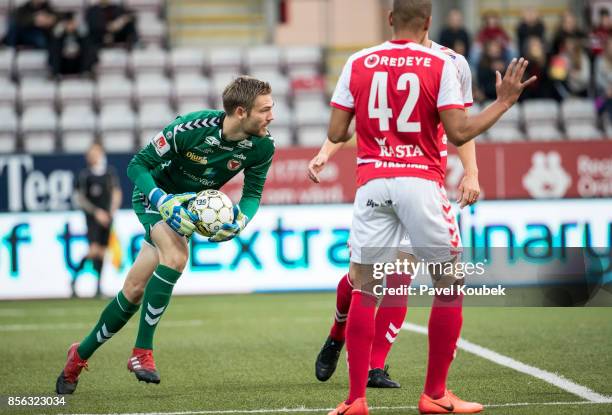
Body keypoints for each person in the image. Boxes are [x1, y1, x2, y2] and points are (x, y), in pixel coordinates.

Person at [322, 1, 535, 414]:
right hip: (419, 180)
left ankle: (354, 402)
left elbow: (336, 130)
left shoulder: (359, 61)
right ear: (428, 23)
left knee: (365, 287)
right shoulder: (441, 63)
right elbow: (459, 131)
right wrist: (503, 102)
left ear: (389, 20)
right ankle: (435, 395)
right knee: (449, 284)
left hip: (372, 183)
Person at [56, 76, 276, 394]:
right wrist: (163, 201)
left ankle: (78, 356)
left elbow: (252, 194)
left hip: (185, 208)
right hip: (153, 198)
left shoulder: (262, 146)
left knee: (133, 290)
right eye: (265, 110)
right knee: (176, 256)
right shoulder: (191, 128)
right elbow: (137, 167)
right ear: (240, 112)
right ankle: (141, 352)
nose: (272, 116)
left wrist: (240, 221)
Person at [310, 30, 480, 390]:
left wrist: (472, 172)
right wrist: (327, 151)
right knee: (362, 279)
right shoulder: (377, 62)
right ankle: (336, 333)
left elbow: (459, 127)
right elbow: (358, 124)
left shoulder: (451, 63)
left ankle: (374, 367)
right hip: (383, 179)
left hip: (420, 183)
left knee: (400, 274)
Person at [72, 143, 122, 298]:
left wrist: (111, 211)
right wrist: (96, 212)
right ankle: (74, 279)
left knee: (102, 252)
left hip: (107, 217)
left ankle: (98, 288)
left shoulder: (109, 173)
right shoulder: (85, 175)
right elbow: (80, 199)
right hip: (93, 219)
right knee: (93, 250)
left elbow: (116, 192)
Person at [48, 12, 95, 77]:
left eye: (72, 23)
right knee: (54, 46)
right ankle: (56, 73)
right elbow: (53, 44)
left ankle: (86, 71)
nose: (70, 26)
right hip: (63, 64)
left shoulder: (80, 33)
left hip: (78, 63)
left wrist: (81, 32)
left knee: (89, 46)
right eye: (68, 23)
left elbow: (87, 43)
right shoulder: (59, 34)